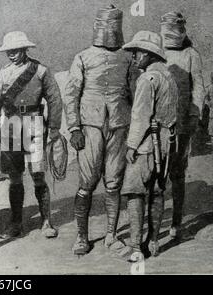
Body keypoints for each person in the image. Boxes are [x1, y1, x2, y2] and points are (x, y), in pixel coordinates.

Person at [63, 5, 133, 255]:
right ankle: (82, 237)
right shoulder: (83, 57)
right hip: (90, 127)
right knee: (87, 183)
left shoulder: (127, 57)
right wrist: (73, 129)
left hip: (119, 126)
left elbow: (134, 93)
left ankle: (111, 235)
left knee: (114, 183)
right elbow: (71, 95)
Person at [0, 31, 62, 239]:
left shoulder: (40, 71)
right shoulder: (2, 74)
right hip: (11, 126)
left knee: (38, 174)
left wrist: (54, 127)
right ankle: (16, 223)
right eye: (8, 51)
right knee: (14, 178)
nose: (11, 55)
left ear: (24, 49)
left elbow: (55, 100)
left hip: (35, 124)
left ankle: (46, 220)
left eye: (15, 51)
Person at [121, 31, 178, 259]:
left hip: (147, 141)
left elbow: (140, 116)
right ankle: (153, 242)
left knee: (135, 192)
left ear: (146, 54)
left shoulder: (147, 79)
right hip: (166, 140)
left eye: (136, 53)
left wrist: (132, 146)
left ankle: (135, 247)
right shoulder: (169, 77)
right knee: (157, 190)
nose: (134, 58)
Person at [160, 12, 207, 239]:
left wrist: (193, 115)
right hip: (158, 124)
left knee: (178, 173)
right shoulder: (157, 53)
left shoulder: (191, 55)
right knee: (156, 172)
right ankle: (153, 226)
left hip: (182, 123)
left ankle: (176, 223)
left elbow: (198, 87)